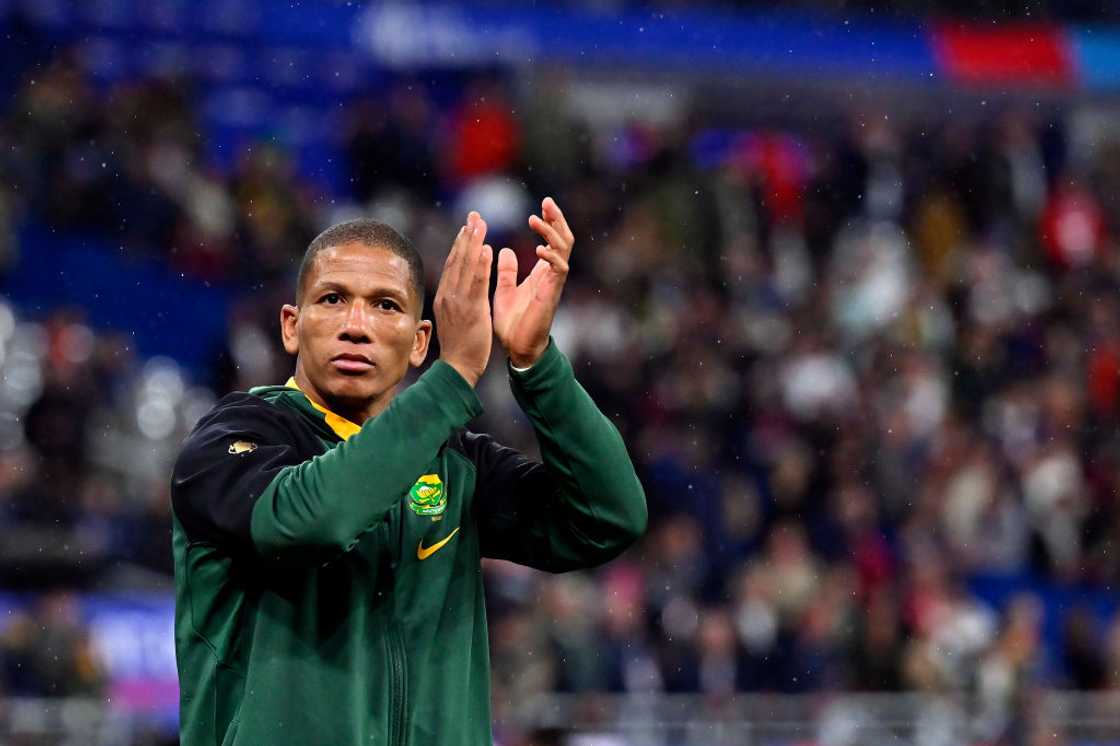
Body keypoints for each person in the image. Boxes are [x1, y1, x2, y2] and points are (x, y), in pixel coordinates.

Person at [169, 198, 647, 746]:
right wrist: (455, 374)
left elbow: (609, 516)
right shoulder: (230, 442)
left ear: (420, 341)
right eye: (332, 300)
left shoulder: (454, 463)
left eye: (385, 306)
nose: (356, 325)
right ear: (291, 326)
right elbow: (308, 521)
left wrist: (536, 365)